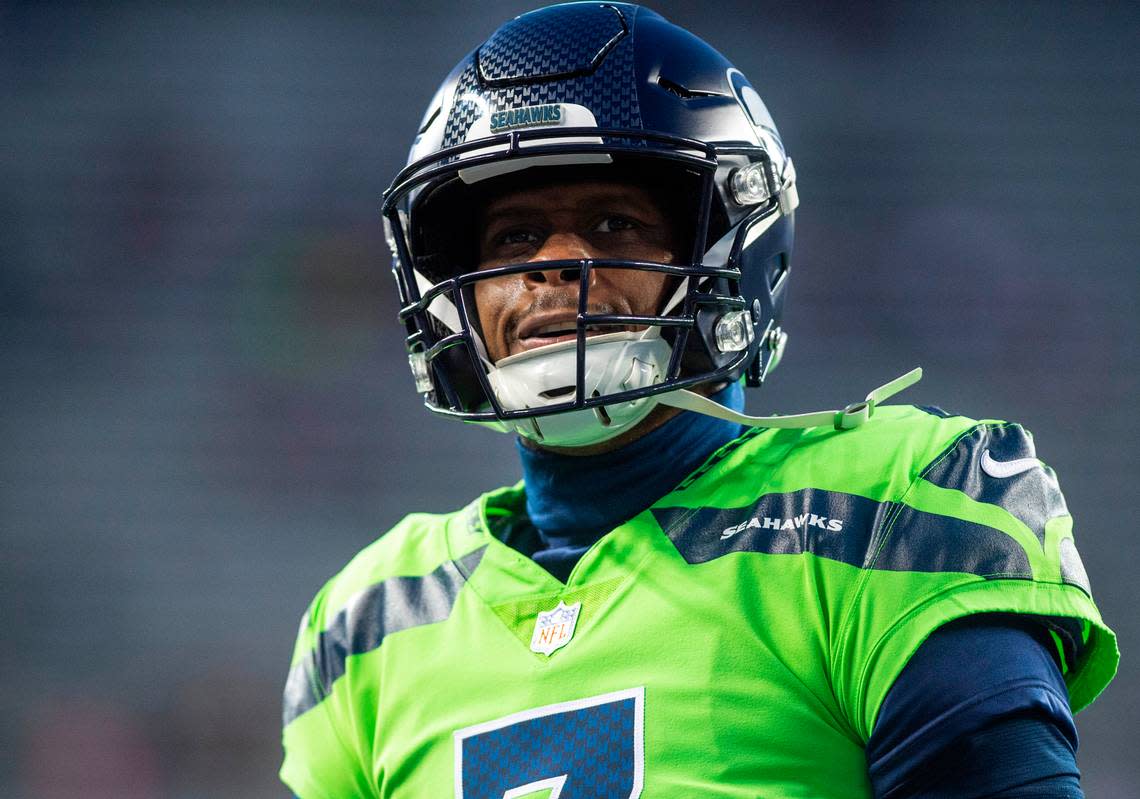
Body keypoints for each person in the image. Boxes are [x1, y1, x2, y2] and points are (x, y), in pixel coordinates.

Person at [280, 4, 1118, 797]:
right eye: (512, 237)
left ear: (734, 257)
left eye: (613, 224)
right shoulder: (368, 624)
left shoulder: (887, 508)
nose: (555, 265)